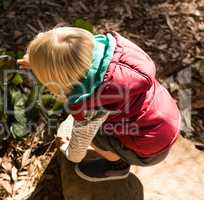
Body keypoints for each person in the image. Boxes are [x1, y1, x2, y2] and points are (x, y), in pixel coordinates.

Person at [17, 27, 181, 182]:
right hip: (168, 117)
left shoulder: (94, 103)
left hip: (151, 151)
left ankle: (117, 166)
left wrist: (68, 150)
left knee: (95, 134)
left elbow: (78, 147)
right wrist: (38, 62)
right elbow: (63, 56)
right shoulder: (111, 49)